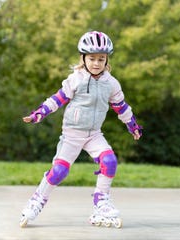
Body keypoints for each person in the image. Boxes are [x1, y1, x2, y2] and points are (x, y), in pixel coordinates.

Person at [19, 31, 143, 228]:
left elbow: (121, 107)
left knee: (109, 161)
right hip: (72, 134)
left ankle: (101, 203)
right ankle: (36, 201)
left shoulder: (111, 84)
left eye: (101, 59)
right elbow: (58, 99)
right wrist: (40, 113)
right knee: (59, 171)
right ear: (83, 58)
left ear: (106, 60)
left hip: (94, 134)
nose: (96, 63)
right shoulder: (75, 79)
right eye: (92, 58)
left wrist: (132, 125)